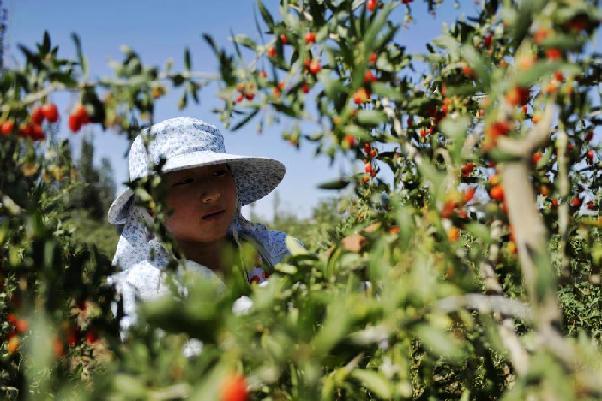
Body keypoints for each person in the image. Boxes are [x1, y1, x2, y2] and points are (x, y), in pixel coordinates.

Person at [107, 117, 296, 335]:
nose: (212, 194)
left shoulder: (273, 252)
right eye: (186, 181)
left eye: (219, 172)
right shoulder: (145, 290)